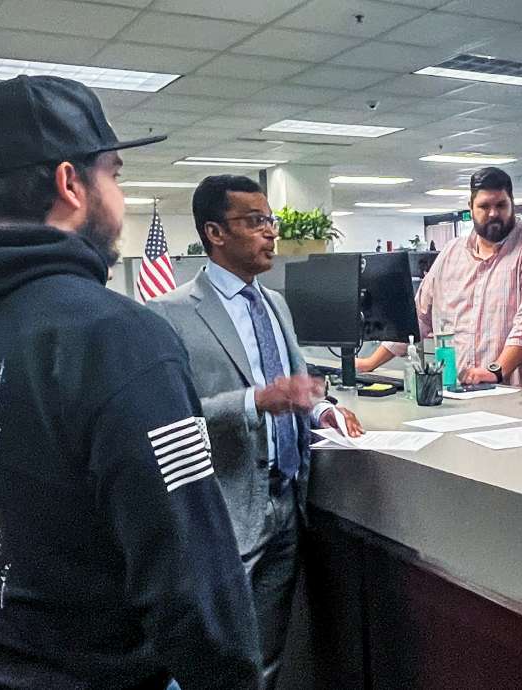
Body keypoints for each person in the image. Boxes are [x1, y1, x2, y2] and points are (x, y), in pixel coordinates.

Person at [0, 76, 261, 689]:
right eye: (116, 175)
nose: (121, 198)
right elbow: (189, 572)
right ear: (70, 183)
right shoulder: (115, 338)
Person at [147, 174, 363, 690]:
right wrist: (252, 401)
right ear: (215, 233)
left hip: (288, 501)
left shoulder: (275, 304)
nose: (270, 233)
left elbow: (292, 389)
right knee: (206, 662)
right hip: (225, 511)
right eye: (255, 221)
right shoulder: (171, 314)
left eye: (271, 221)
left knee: (266, 655)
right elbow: (168, 420)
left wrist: (322, 410)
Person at [355, 167, 522, 385]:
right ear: (470, 208)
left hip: (513, 392)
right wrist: (371, 363)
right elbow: (419, 316)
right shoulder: (452, 252)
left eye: (501, 205)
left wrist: (495, 371)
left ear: (513, 204)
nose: (493, 213)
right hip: (457, 389)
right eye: (484, 206)